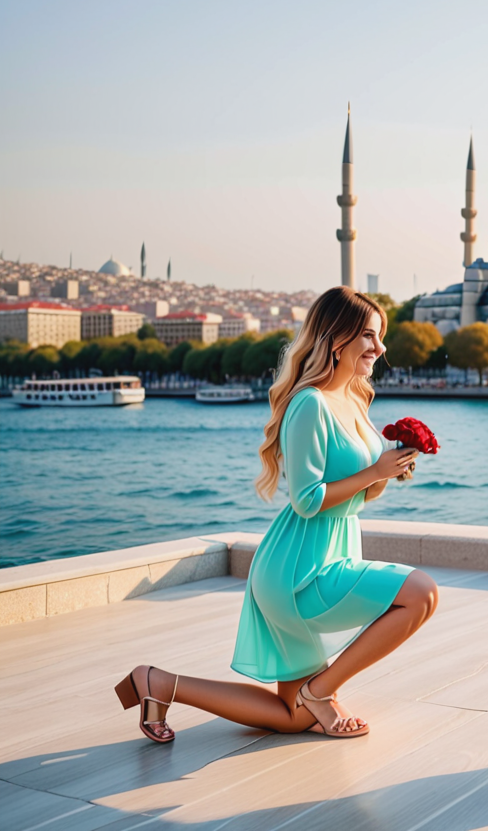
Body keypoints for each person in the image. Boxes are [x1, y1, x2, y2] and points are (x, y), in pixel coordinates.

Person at [114, 287, 439, 742]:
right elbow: (306, 499)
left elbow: (358, 496)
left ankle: (159, 683)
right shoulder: (309, 404)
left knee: (292, 718)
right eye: (369, 336)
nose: (379, 349)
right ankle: (320, 690)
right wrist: (374, 470)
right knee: (421, 593)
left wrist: (389, 471)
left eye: (380, 337)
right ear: (336, 338)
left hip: (329, 550)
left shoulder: (355, 399)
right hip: (300, 571)